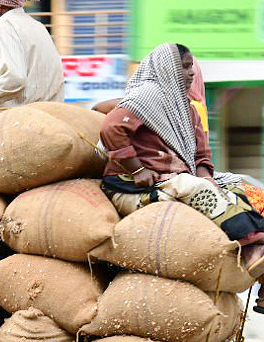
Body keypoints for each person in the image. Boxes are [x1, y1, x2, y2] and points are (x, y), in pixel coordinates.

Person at [98, 42, 264, 273]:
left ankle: (259, 263)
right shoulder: (148, 95)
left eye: (191, 67)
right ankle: (251, 245)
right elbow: (111, 127)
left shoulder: (188, 110)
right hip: (135, 187)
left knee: (245, 190)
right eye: (185, 67)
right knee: (196, 188)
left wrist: (209, 179)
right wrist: (137, 169)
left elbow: (201, 158)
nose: (192, 73)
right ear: (169, 69)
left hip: (176, 181)